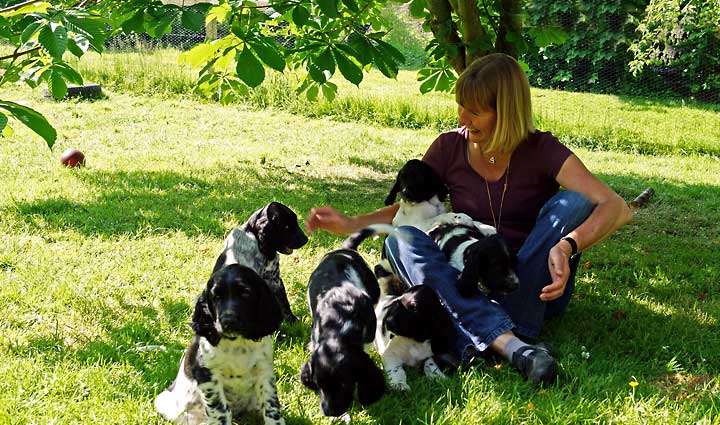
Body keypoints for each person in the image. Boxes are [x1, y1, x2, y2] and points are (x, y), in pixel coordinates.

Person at [305, 53, 632, 385]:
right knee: (399, 241)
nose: (463, 118)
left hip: (524, 285)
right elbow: (411, 206)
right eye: (461, 107)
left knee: (573, 201)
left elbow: (616, 207)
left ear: (507, 112)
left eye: (475, 111)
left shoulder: (542, 149)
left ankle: (471, 337)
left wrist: (567, 245)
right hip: (463, 282)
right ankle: (514, 346)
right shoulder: (450, 146)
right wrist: (351, 224)